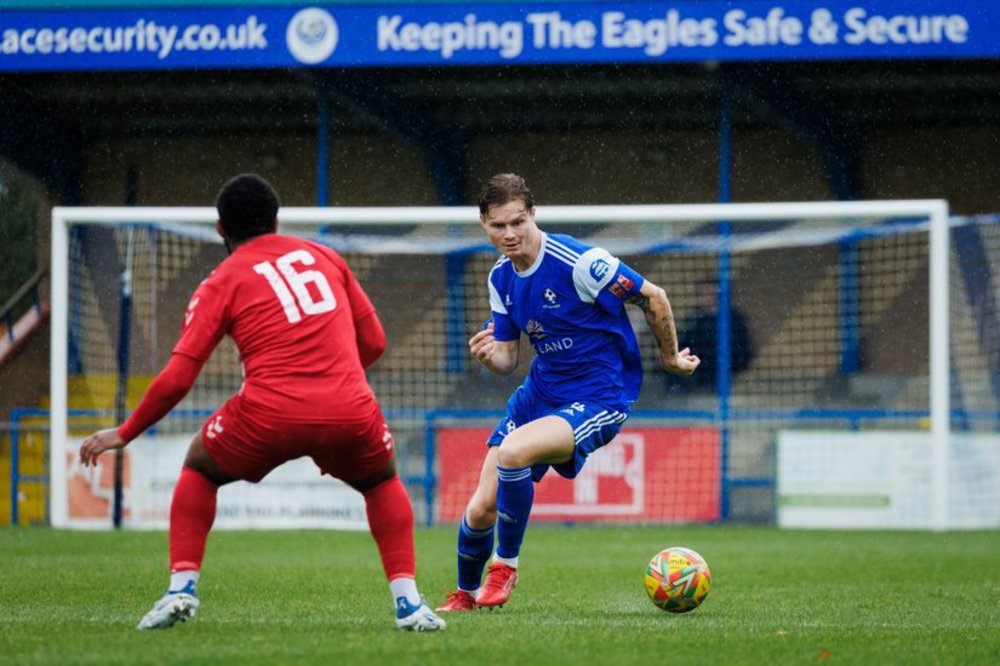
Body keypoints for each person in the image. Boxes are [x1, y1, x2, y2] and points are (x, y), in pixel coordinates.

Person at [79, 174, 445, 632]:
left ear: (219, 230)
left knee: (199, 467)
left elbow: (178, 377)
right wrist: (333, 394)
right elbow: (373, 340)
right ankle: (409, 603)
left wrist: (125, 431)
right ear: (276, 220)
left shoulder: (221, 281)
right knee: (380, 483)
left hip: (269, 414)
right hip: (350, 409)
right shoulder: (324, 256)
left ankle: (180, 588)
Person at [436, 173, 699, 612]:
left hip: (598, 395)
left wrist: (670, 358)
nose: (510, 233)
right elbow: (506, 360)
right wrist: (488, 358)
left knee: (513, 452)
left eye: (518, 221)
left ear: (533, 213)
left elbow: (653, 296)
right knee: (481, 508)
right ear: (483, 223)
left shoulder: (580, 263)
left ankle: (504, 568)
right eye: (499, 225)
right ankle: (464, 595)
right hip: (540, 393)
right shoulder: (501, 277)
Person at [671, 278, 753, 393]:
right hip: (701, 364)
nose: (708, 297)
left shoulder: (734, 318)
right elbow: (686, 343)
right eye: (705, 293)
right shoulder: (697, 318)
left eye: (712, 293)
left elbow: (742, 347)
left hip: (725, 363)